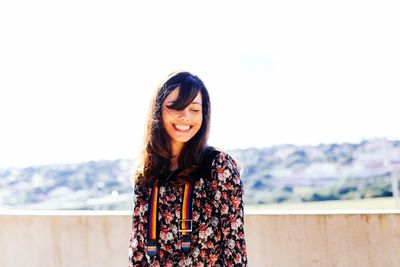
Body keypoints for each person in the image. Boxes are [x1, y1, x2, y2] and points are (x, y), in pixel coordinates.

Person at [128, 71, 247, 266]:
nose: (185, 117)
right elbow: (138, 251)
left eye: (194, 109)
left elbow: (235, 247)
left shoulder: (218, 166)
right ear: (158, 111)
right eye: (176, 107)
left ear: (204, 114)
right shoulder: (147, 173)